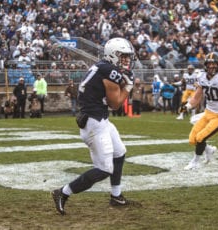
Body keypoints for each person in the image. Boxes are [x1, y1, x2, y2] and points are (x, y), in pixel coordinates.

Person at [51, 37, 137, 215]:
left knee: (119, 152)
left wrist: (123, 82)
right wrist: (128, 87)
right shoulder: (109, 71)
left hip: (99, 119)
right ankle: (63, 192)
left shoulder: (103, 67)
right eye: (123, 56)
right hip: (94, 123)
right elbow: (116, 104)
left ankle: (116, 195)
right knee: (105, 169)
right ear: (113, 55)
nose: (127, 60)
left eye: (128, 57)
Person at [180, 52, 218, 170]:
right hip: (208, 112)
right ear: (206, 64)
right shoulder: (201, 76)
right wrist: (187, 107)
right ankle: (209, 150)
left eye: (214, 64)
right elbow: (196, 97)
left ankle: (195, 162)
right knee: (192, 139)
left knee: (200, 138)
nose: (211, 66)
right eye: (209, 64)